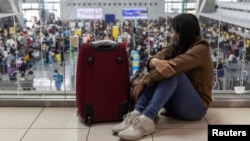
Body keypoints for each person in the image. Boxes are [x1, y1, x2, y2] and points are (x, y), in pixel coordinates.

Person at [112, 13, 214, 141]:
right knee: (163, 70)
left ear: (182, 33)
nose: (172, 35)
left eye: (174, 31)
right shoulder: (178, 46)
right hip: (175, 105)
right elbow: (156, 57)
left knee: (171, 73)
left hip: (196, 108)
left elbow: (173, 68)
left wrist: (145, 79)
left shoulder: (201, 49)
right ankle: (138, 113)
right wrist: (155, 62)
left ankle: (147, 119)